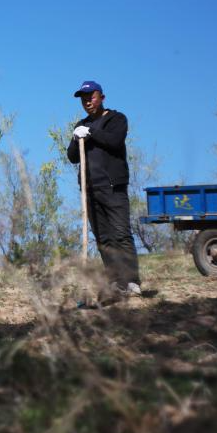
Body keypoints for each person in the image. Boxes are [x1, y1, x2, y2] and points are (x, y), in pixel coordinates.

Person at [66, 80, 142, 301]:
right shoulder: (81, 125)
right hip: (90, 190)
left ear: (102, 97)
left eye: (91, 97)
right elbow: (72, 157)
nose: (87, 101)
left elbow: (115, 141)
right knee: (104, 239)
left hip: (113, 186)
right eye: (83, 99)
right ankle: (115, 283)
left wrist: (91, 132)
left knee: (121, 234)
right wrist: (76, 139)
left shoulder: (116, 119)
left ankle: (132, 282)